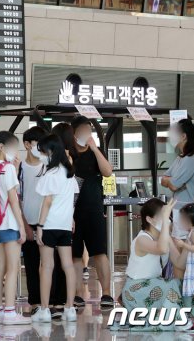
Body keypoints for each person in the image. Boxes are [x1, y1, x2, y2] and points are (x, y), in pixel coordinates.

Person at [120, 198, 194, 331]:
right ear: (149, 219)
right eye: (161, 215)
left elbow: (179, 263)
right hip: (136, 289)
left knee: (181, 284)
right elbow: (162, 249)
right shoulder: (142, 239)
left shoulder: (165, 238)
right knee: (170, 284)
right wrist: (166, 223)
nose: (166, 219)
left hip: (154, 285)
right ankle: (176, 319)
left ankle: (178, 316)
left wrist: (187, 245)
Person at [32, 134, 79, 323]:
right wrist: (71, 218)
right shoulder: (69, 173)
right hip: (65, 226)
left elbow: (48, 201)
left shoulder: (50, 174)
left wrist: (40, 226)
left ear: (49, 151)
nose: (40, 154)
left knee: (46, 266)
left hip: (49, 225)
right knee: (68, 266)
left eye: (42, 151)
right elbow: (73, 199)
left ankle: (44, 310)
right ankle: (70, 308)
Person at [0, 131, 30, 325]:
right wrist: (22, 227)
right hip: (9, 223)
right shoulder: (8, 168)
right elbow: (13, 200)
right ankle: (10, 312)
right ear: (1, 147)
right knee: (13, 269)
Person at [70, 116, 114, 307]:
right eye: (81, 131)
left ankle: (106, 293)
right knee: (76, 254)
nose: (85, 135)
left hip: (94, 208)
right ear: (73, 133)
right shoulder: (69, 153)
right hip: (72, 211)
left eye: (88, 131)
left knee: (99, 252)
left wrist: (95, 149)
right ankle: (79, 294)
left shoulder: (96, 152)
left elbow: (108, 171)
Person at [20, 126, 50, 314]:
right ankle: (35, 302)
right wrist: (24, 225)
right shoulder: (19, 168)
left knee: (48, 264)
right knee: (31, 264)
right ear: (27, 144)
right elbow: (16, 197)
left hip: (46, 222)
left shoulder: (48, 167)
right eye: (37, 144)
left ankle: (49, 301)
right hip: (27, 222)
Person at [161, 118, 194, 240]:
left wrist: (171, 180)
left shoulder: (191, 159)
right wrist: (170, 180)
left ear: (183, 136)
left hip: (190, 214)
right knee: (181, 250)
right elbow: (163, 179)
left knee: (186, 251)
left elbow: (173, 185)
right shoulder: (181, 158)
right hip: (180, 210)